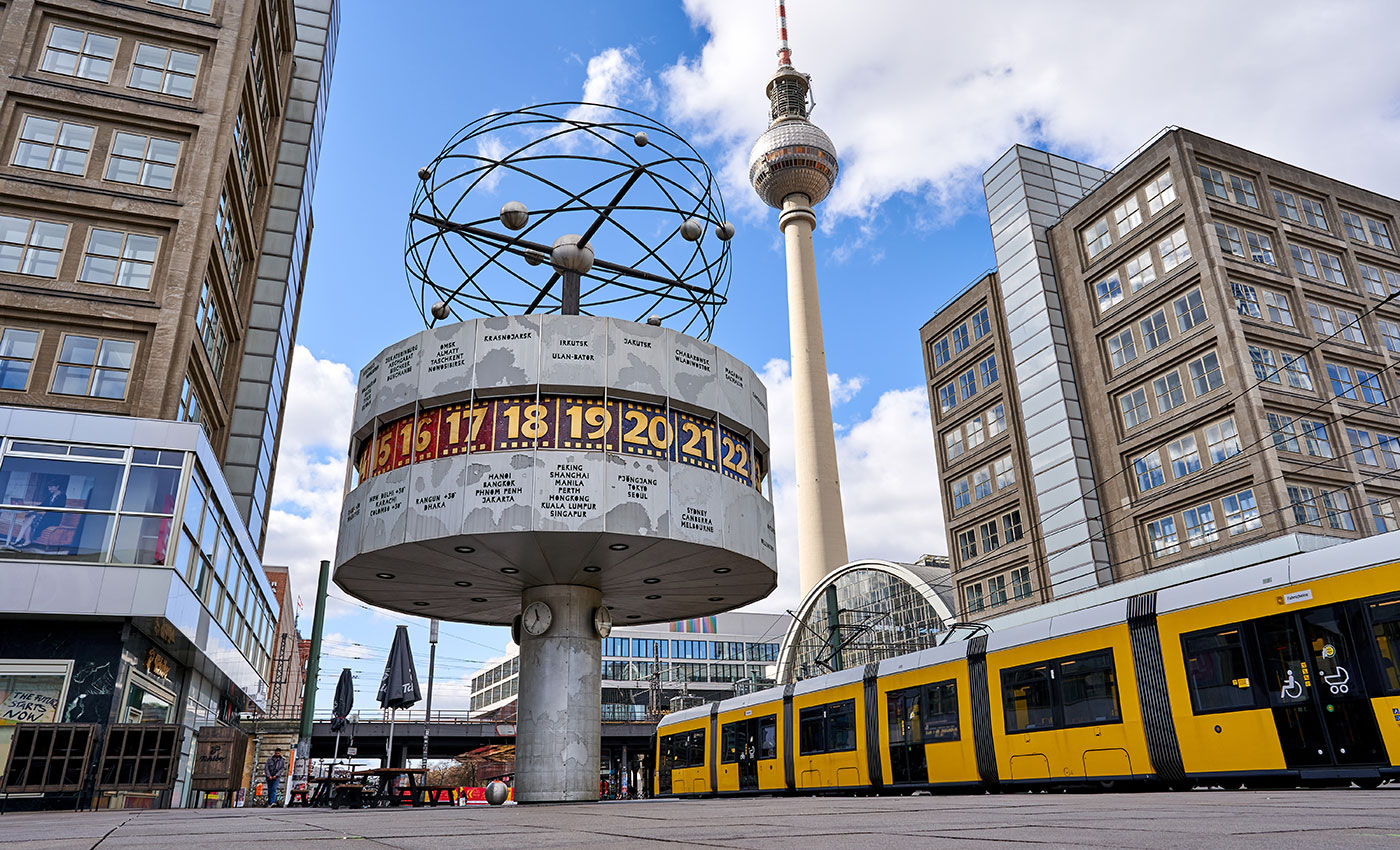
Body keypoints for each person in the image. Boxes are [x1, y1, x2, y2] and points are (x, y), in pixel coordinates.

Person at [18, 482, 65, 548]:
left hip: (53, 519)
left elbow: (57, 508)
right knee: (28, 519)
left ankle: (19, 540)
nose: (49, 489)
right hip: (46, 516)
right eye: (48, 487)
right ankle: (25, 540)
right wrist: (33, 507)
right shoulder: (50, 495)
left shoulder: (62, 496)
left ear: (57, 486)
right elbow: (43, 505)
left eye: (51, 487)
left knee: (30, 519)